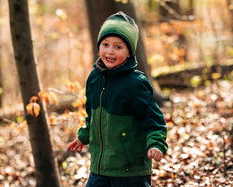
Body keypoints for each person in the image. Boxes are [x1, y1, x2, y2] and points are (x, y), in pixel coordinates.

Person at [67, 11, 168, 187]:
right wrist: (84, 136)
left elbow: (153, 120)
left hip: (129, 169)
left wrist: (156, 144)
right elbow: (92, 115)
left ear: (129, 52)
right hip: (100, 167)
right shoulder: (94, 78)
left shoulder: (135, 83)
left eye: (118, 47)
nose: (110, 51)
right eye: (105, 44)